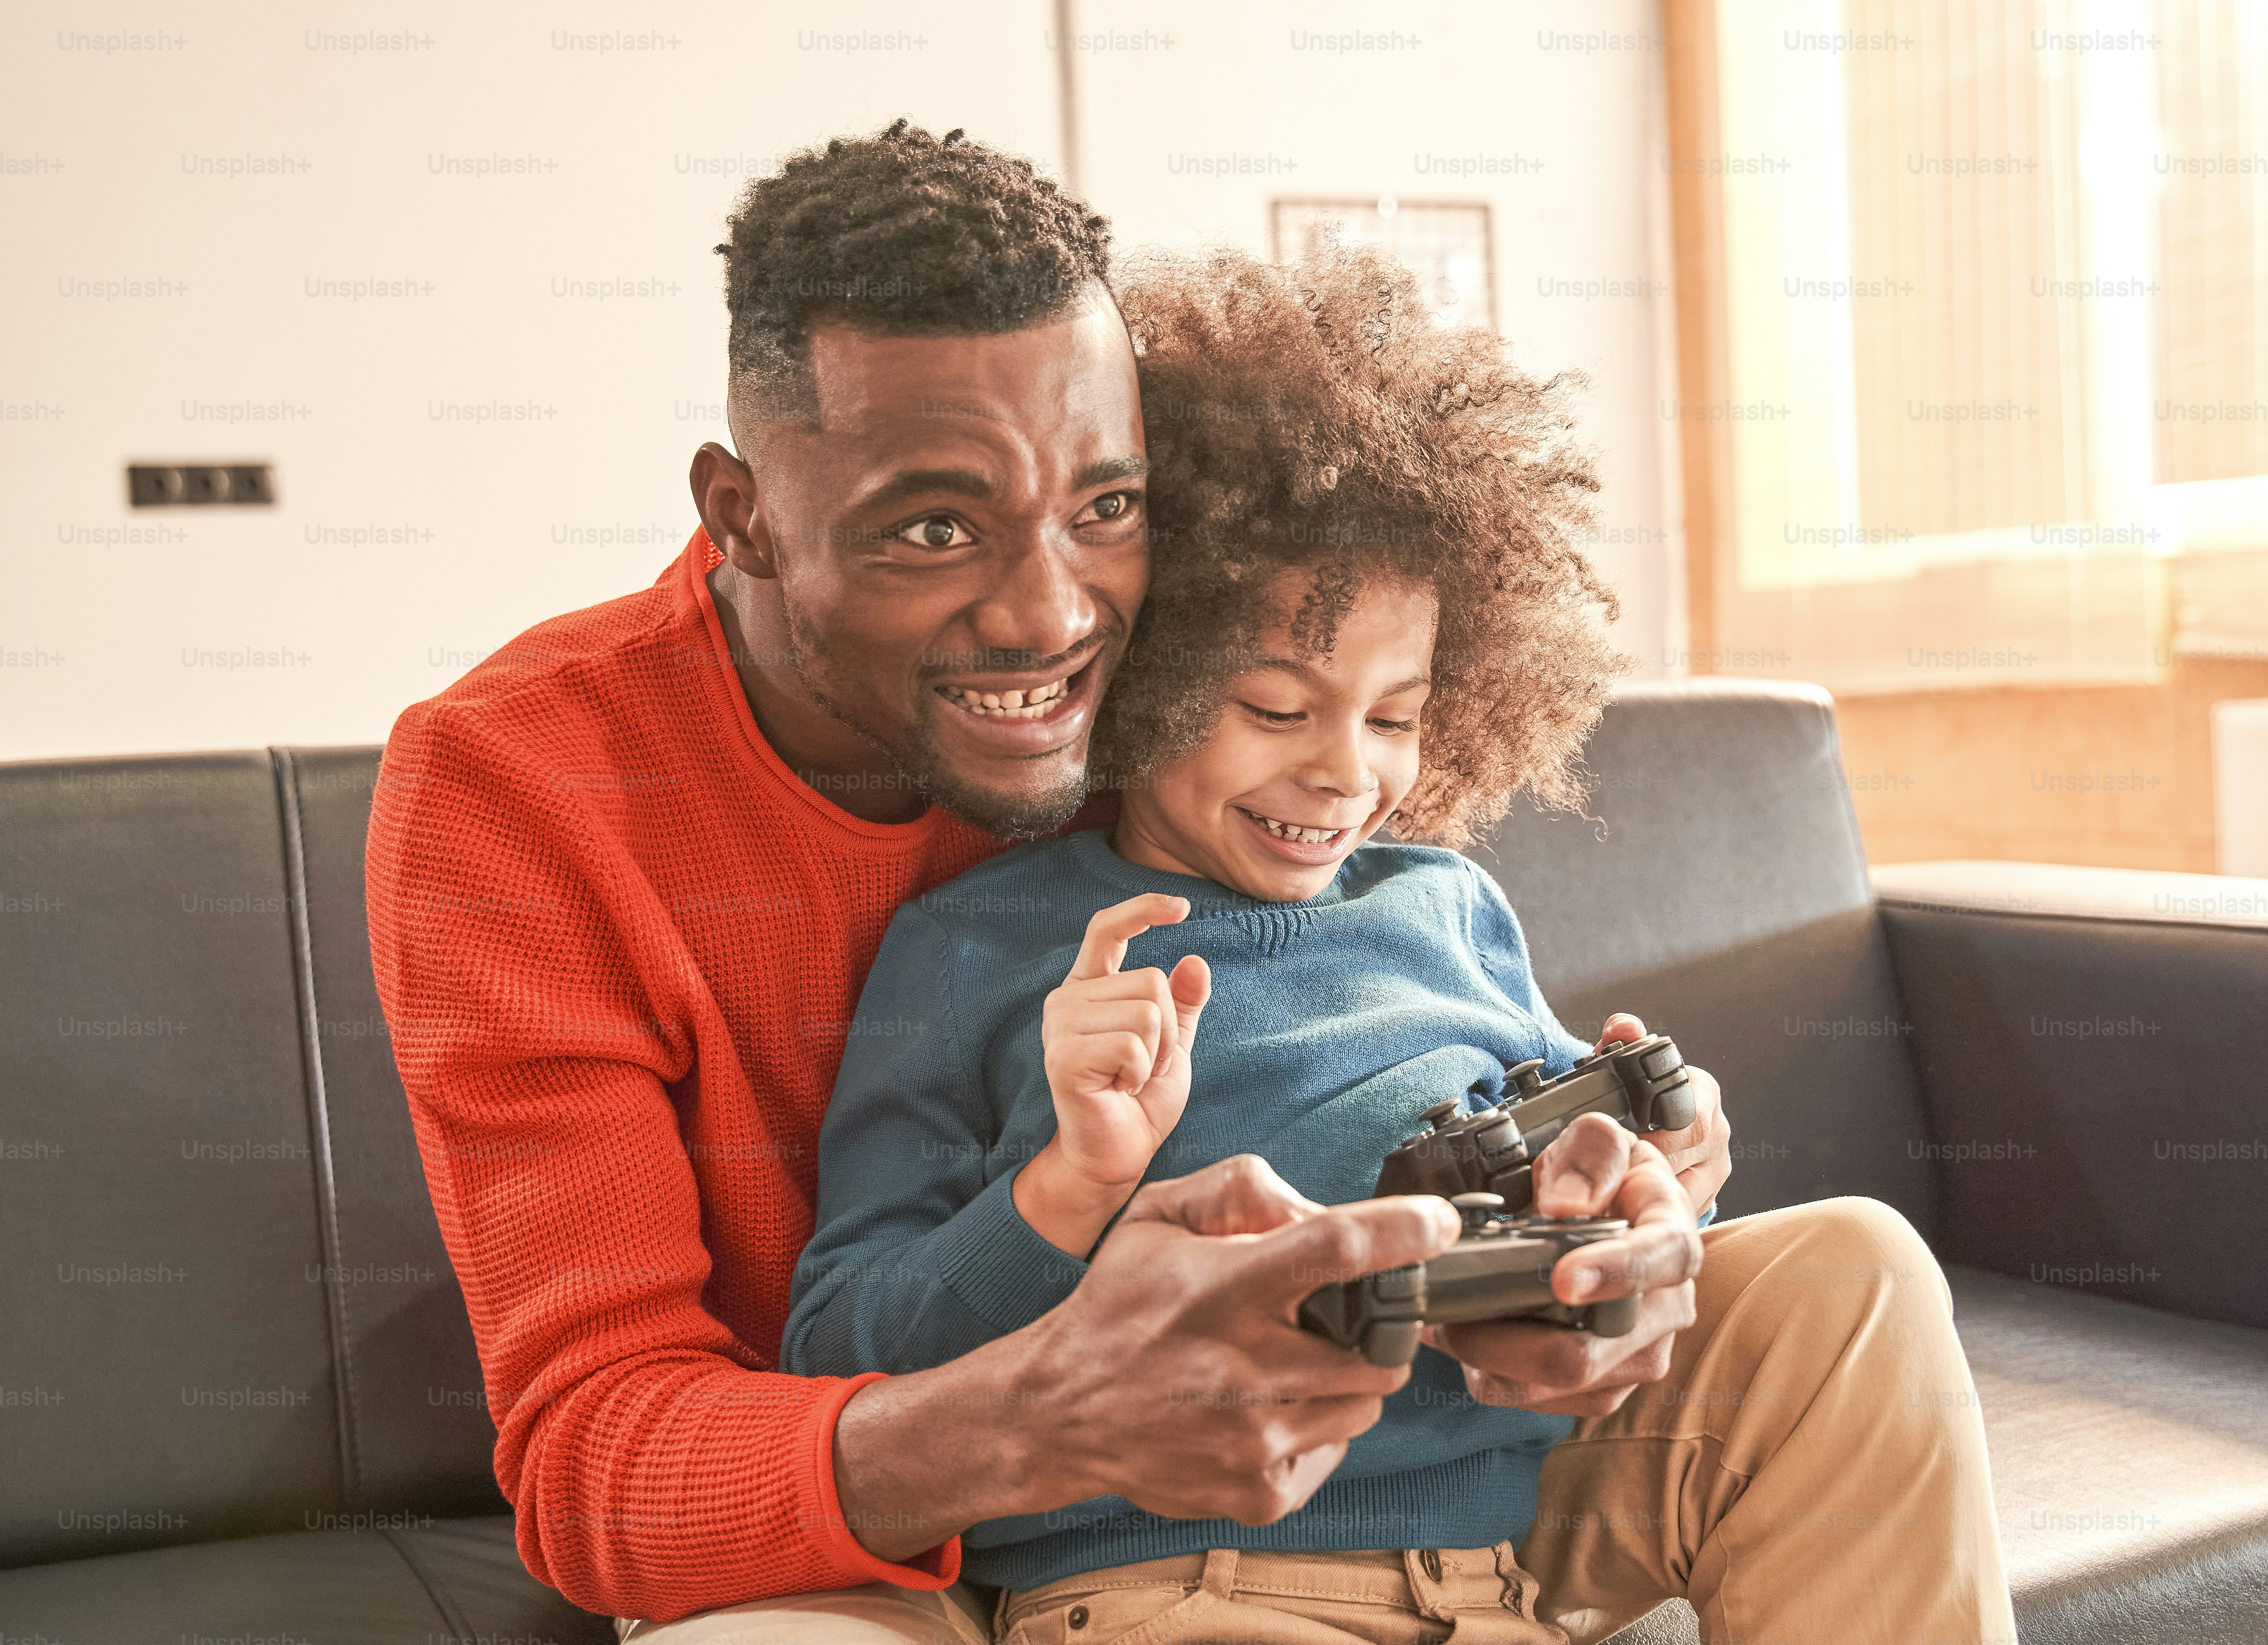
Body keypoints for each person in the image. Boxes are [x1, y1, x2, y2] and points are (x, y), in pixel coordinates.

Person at [365, 121, 2012, 1645]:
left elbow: (1411, 1032)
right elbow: (597, 1461)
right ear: (746, 514)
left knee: (1842, 1281)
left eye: (1106, 506)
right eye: (931, 528)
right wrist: (1038, 1409)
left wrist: (1616, 1240)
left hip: (1425, 1461)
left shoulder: (1186, 677)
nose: (1046, 618)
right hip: (934, 1512)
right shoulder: (516, 786)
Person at [767, 244, 2013, 1645]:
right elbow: (843, 1351)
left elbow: (1582, 1240)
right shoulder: (975, 946)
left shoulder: (1445, 901)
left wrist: (1658, 1187)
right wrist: (1063, 1186)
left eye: (1396, 715)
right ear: (1149, 664)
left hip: (1511, 1547)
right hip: (1182, 1585)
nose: (1344, 774)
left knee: (1856, 1261)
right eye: (1277, 707)